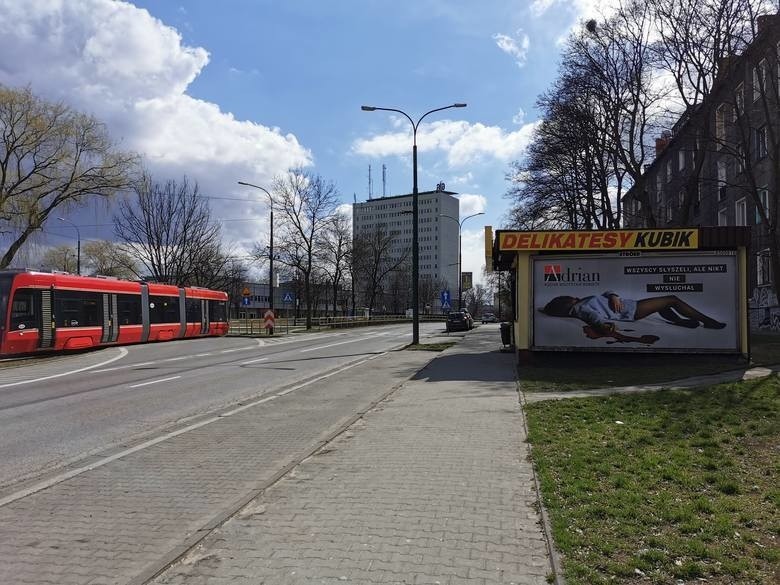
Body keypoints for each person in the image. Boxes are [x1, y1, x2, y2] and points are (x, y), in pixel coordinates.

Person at [541, 291, 726, 335]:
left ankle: (681, 322)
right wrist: (604, 326)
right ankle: (707, 321)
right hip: (632, 310)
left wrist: (613, 295)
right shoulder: (580, 308)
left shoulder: (582, 303)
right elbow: (593, 317)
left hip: (631, 306)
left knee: (663, 305)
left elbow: (605, 293)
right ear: (568, 301)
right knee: (672, 299)